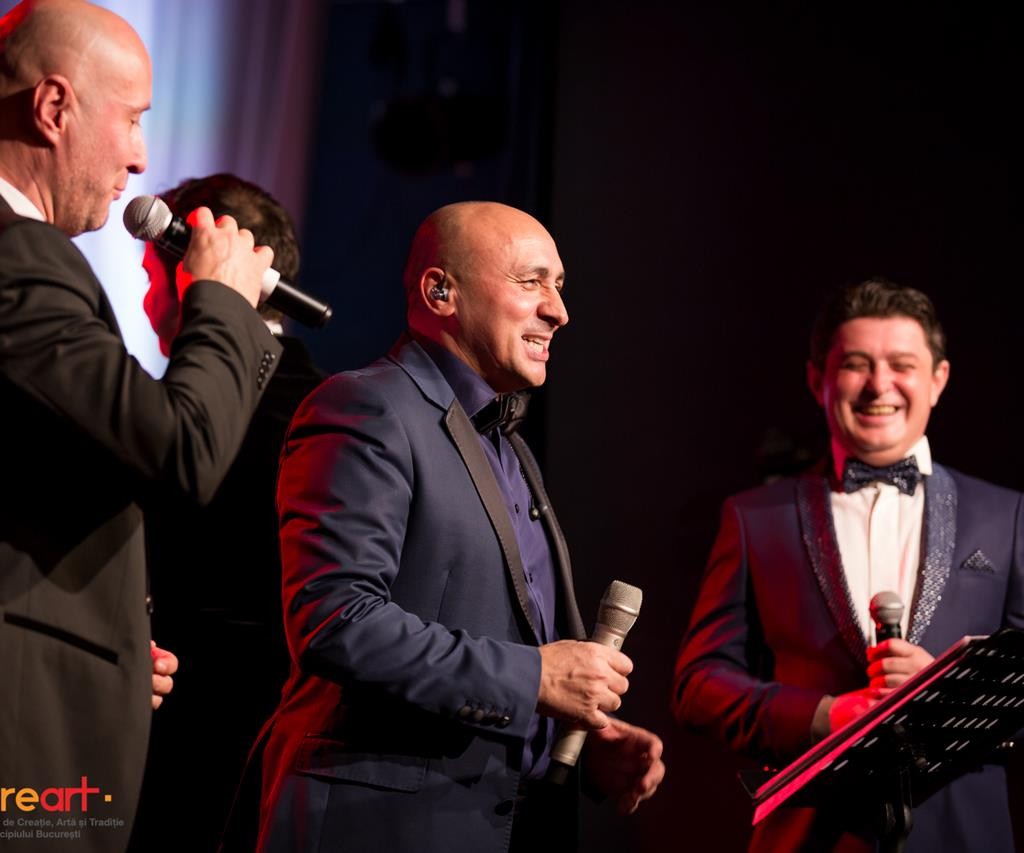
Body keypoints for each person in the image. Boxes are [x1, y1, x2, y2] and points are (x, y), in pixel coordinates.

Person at [246, 201, 664, 852]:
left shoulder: (509, 446)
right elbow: (335, 620)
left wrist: (569, 742)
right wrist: (534, 679)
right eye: (531, 281)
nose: (558, 310)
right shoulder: (364, 406)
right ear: (440, 291)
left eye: (559, 286)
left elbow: (497, 646)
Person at [0, 3, 282, 852]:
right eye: (131, 120)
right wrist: (222, 301)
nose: (141, 158)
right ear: (54, 107)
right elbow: (182, 449)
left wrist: (107, 633)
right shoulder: (19, 256)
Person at [673, 279, 1024, 851]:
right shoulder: (755, 517)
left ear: (938, 379)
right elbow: (698, 686)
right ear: (818, 379)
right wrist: (826, 715)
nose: (879, 385)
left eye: (902, 365)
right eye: (857, 364)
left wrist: (952, 694)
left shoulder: (1006, 516)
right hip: (813, 840)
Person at [130, 173, 325, 851]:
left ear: (192, 271)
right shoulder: (335, 404)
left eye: (149, 277)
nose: (146, 299)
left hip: (187, 745)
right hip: (295, 756)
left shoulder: (173, 416)